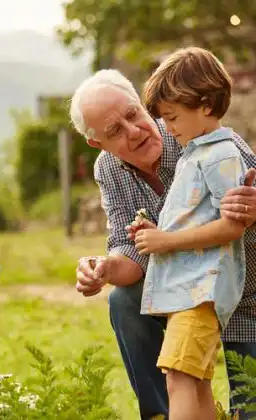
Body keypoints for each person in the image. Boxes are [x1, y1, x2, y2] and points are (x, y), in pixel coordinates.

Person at [70, 63, 256, 418]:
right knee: (125, 302)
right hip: (184, 290)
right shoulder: (108, 169)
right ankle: (160, 414)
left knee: (248, 405)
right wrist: (105, 267)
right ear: (98, 143)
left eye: (133, 114)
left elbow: (243, 201)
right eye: (115, 130)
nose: (135, 130)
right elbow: (131, 250)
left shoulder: (196, 130)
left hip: (247, 291)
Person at [127, 47, 246, 420]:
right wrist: (156, 231)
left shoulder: (221, 155)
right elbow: (195, 219)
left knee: (178, 377)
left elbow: (233, 225)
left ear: (206, 105)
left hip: (202, 290)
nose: (169, 127)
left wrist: (166, 241)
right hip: (188, 290)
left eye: (173, 117)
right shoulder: (194, 153)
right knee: (193, 382)